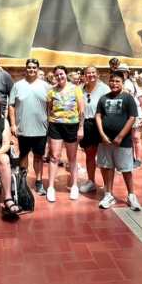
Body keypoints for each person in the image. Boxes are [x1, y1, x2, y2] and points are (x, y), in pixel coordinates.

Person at [94, 70, 142, 211]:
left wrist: (120, 136)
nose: (114, 84)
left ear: (122, 83)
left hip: (123, 142)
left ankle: (131, 195)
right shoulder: (103, 98)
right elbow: (98, 116)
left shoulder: (128, 98)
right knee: (107, 167)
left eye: (117, 81)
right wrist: (102, 135)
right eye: (112, 81)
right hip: (105, 141)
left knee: (126, 169)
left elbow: (132, 118)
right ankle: (108, 194)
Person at [8, 59, 50, 203]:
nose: (31, 69)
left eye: (34, 67)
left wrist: (50, 123)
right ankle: (23, 181)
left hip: (41, 128)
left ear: (38, 69)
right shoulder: (17, 85)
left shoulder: (46, 86)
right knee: (23, 155)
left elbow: (51, 106)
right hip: (23, 128)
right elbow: (11, 105)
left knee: (39, 156)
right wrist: (13, 124)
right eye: (29, 67)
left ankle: (38, 182)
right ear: (26, 69)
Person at [44, 65, 83, 203]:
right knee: (54, 157)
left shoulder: (76, 89)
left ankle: (74, 186)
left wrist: (81, 127)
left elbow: (81, 110)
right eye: (57, 75)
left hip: (72, 125)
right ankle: (50, 187)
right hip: (55, 125)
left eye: (62, 74)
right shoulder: (51, 91)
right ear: (54, 77)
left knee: (72, 158)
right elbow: (49, 109)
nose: (60, 77)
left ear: (66, 75)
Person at [76, 65, 111, 200]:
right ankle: (91, 181)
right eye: (88, 73)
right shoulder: (80, 90)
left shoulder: (104, 89)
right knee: (90, 154)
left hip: (101, 124)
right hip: (87, 124)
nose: (90, 75)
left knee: (103, 157)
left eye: (93, 73)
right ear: (84, 75)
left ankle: (107, 187)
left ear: (97, 74)